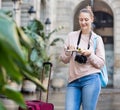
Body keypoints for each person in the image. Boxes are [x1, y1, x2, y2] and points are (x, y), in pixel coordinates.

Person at [60, 6, 105, 110]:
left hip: (91, 80)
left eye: (86, 19)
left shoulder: (97, 39)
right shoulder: (71, 36)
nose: (83, 22)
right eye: (81, 19)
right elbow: (63, 59)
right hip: (73, 81)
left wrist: (90, 55)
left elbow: (101, 63)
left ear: (92, 19)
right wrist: (68, 52)